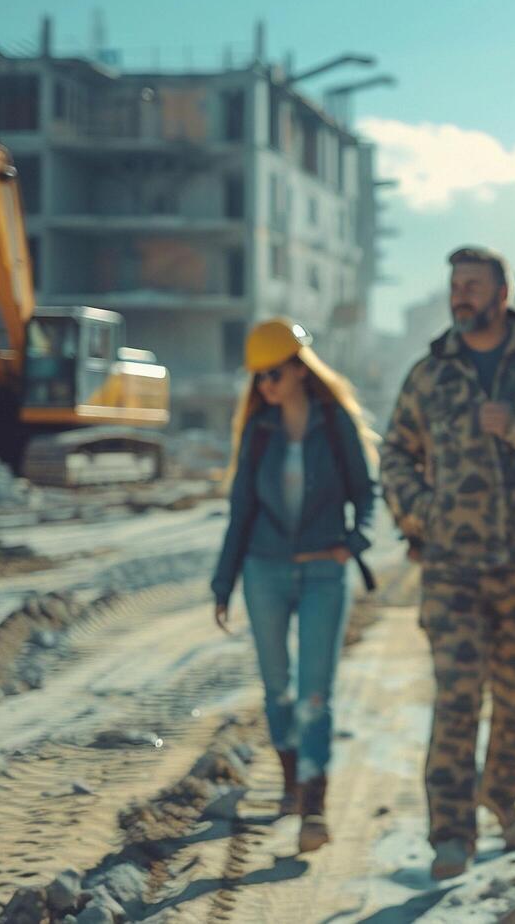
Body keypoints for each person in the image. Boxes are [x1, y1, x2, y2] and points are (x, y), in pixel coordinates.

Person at [379, 246, 515, 880]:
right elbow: (394, 456)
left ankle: (502, 799)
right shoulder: (431, 375)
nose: (459, 295)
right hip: (452, 568)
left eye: (472, 286)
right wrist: (424, 515)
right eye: (454, 286)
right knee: (458, 696)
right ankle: (450, 832)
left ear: (502, 294)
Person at [210, 317, 378, 854]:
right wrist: (223, 583)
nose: (265, 386)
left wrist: (353, 542)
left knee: (314, 694)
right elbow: (240, 510)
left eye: (274, 374)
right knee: (276, 688)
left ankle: (313, 805)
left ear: (300, 369)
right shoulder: (258, 432)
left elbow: (366, 494)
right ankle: (289, 779)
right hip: (264, 570)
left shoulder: (336, 424)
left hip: (325, 574)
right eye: (258, 378)